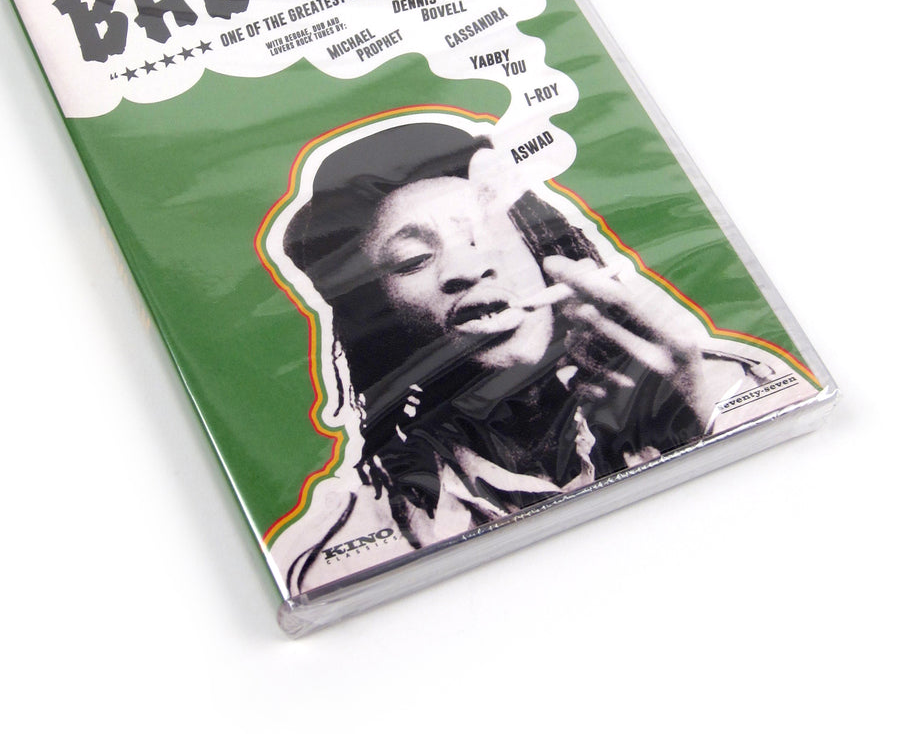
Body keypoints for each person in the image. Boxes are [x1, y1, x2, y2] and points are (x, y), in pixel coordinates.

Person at [270, 120, 814, 595]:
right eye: (412, 259)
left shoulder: (722, 381)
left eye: (489, 232)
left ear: (540, 248)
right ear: (384, 323)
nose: (466, 267)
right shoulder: (357, 532)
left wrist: (696, 391)